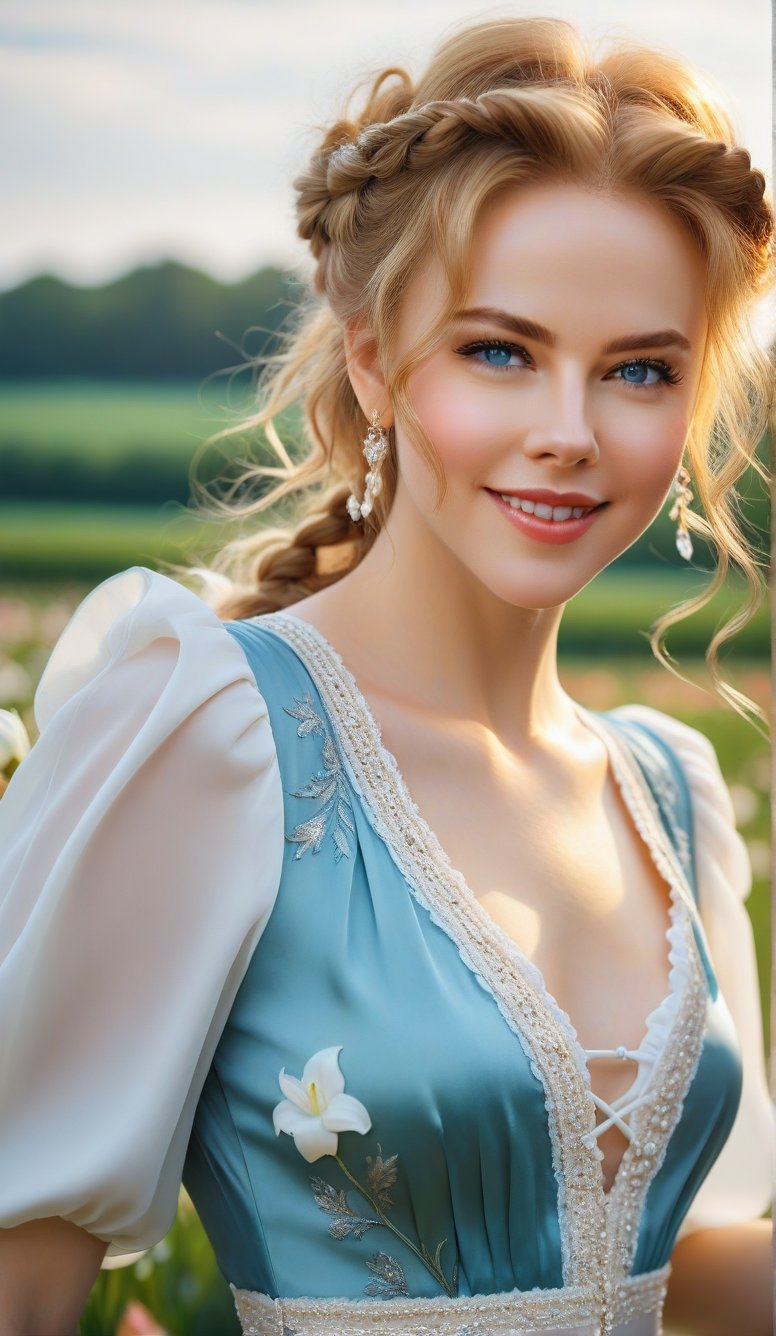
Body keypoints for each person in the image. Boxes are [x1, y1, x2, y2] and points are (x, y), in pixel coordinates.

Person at [0, 16, 772, 1336]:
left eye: (640, 370)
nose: (570, 434)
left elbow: (692, 1276)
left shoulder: (670, 791)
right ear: (372, 357)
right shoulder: (210, 732)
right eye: (498, 351)